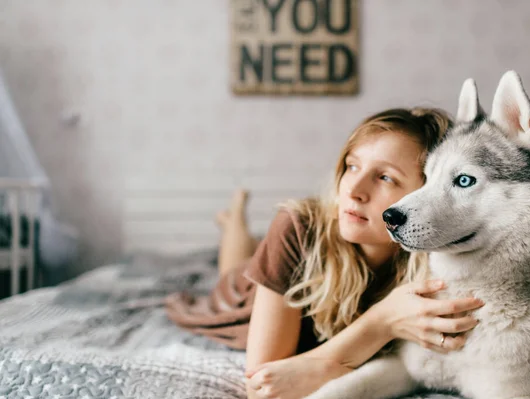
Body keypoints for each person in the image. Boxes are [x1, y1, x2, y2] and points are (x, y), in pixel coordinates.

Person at [165, 108, 485, 399]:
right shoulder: (297, 226)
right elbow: (261, 384)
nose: (354, 190)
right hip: (244, 299)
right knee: (233, 271)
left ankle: (237, 225)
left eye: (385, 177)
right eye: (351, 166)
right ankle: (233, 219)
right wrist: (383, 320)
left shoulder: (443, 258)